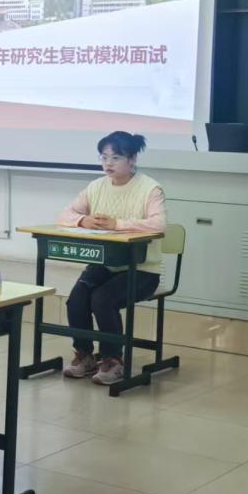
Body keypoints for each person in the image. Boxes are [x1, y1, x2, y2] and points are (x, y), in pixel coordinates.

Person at [57, 131, 167, 385]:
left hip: (143, 270)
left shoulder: (150, 188)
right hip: (106, 264)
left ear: (132, 158)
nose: (108, 163)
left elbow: (159, 224)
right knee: (77, 299)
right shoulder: (96, 187)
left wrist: (117, 224)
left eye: (115, 157)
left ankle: (113, 360)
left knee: (102, 299)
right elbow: (64, 215)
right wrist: (83, 220)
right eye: (104, 157)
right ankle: (85, 355)